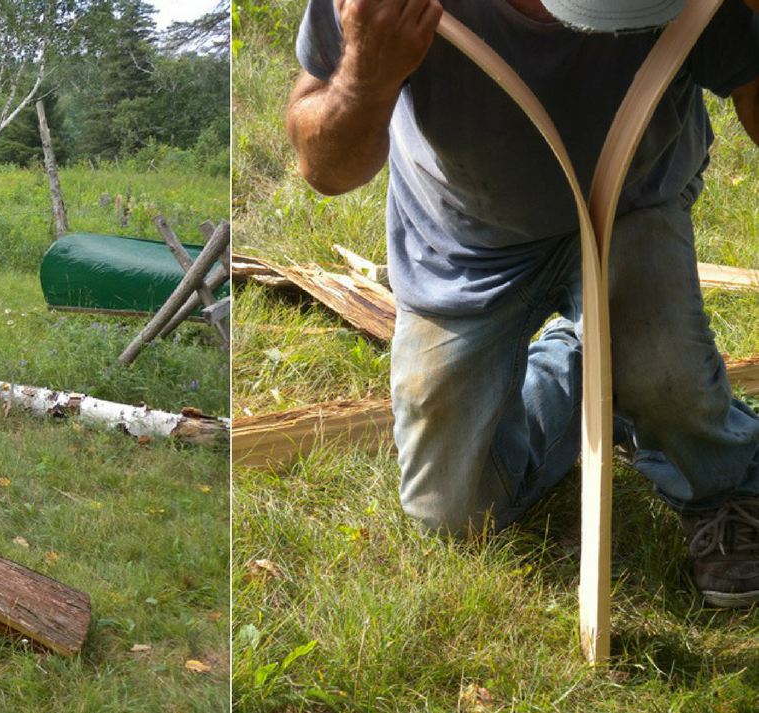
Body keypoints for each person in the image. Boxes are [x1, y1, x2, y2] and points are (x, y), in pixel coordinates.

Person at [285, 0, 759, 607]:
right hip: (464, 238)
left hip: (631, 203)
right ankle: (592, 367)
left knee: (666, 375)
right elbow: (323, 169)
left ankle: (722, 482)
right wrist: (363, 79)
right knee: (455, 511)